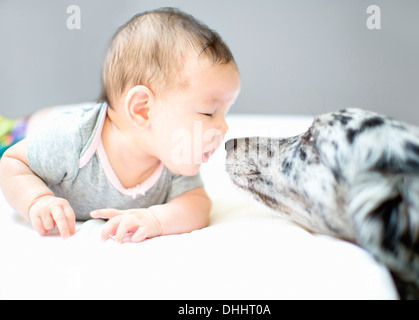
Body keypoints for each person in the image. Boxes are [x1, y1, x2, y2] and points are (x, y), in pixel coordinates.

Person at [0, 8, 241, 243]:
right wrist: (37, 200)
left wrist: (156, 219)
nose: (223, 128)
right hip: (23, 132)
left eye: (225, 113)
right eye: (209, 112)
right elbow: (13, 162)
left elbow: (197, 203)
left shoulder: (172, 157)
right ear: (142, 109)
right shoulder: (73, 139)